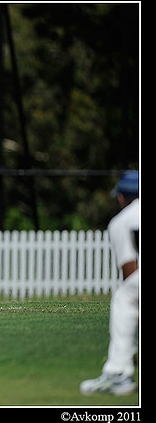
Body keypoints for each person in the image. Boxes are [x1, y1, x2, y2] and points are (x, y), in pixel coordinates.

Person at [80, 170, 140, 396]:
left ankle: (119, 373)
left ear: (121, 197)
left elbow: (130, 270)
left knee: (125, 296)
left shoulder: (121, 221)